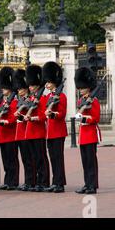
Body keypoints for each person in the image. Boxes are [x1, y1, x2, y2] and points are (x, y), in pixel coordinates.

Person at [74, 67, 101, 195]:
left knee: (91, 162)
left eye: (82, 87)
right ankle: (87, 184)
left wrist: (83, 118)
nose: (80, 90)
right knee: (85, 162)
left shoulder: (93, 101)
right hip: (83, 136)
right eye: (79, 87)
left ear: (88, 87)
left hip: (90, 135)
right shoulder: (81, 101)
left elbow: (96, 118)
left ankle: (93, 185)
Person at [42, 62, 67, 193]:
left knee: (58, 158)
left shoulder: (61, 96)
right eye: (46, 82)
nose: (47, 84)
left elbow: (62, 114)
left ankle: (60, 183)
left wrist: (52, 114)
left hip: (58, 131)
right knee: (52, 158)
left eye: (49, 82)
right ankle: (55, 181)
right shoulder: (48, 97)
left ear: (54, 82)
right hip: (50, 132)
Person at [24, 65, 49, 192]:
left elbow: (44, 115)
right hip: (29, 132)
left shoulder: (43, 98)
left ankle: (44, 181)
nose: (30, 87)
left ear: (38, 85)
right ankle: (36, 181)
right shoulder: (31, 98)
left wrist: (34, 118)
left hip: (38, 131)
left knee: (41, 158)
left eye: (32, 85)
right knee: (33, 158)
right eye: (29, 85)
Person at [0, 67, 19, 190]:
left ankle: (13, 181)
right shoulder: (2, 102)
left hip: (10, 134)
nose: (2, 89)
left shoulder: (14, 102)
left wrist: (4, 122)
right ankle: (7, 180)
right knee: (5, 161)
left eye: (4, 88)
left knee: (11, 160)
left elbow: (13, 118)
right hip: (2, 136)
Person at [13, 69, 36, 191]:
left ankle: (32, 181)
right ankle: (28, 181)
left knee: (30, 159)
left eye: (21, 88)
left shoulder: (31, 100)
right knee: (25, 159)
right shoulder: (20, 100)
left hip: (28, 132)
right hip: (20, 133)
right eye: (18, 89)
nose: (19, 91)